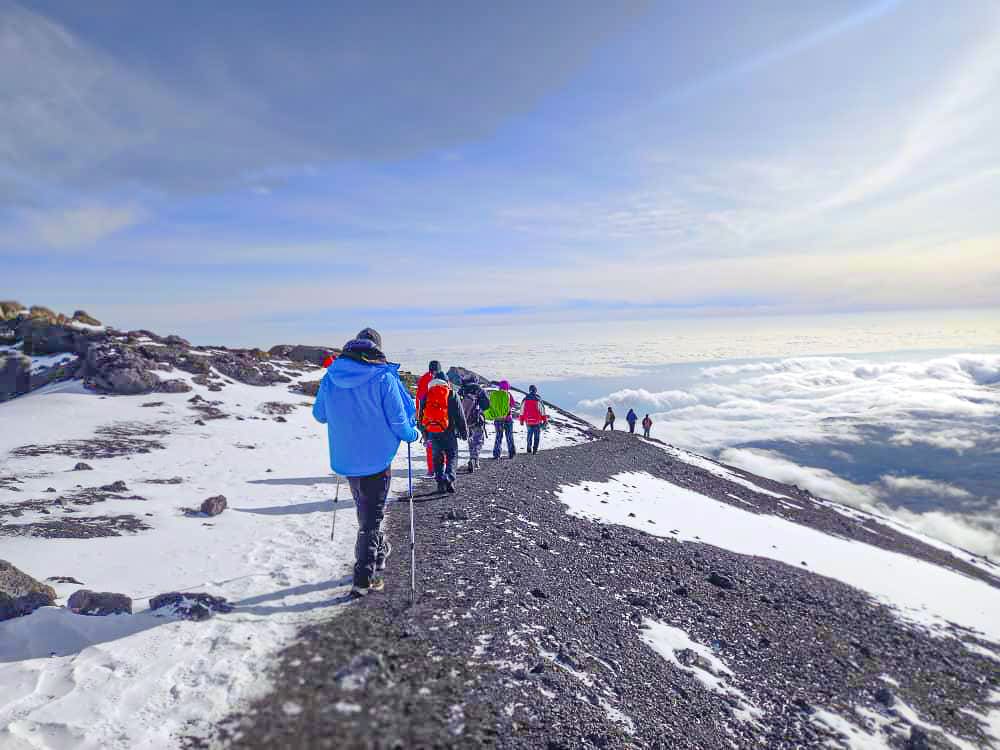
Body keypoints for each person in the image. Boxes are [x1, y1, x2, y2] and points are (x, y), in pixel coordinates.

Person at [312, 328, 419, 598]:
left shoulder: (332, 375)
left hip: (346, 459)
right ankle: (364, 578)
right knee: (371, 520)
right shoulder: (383, 377)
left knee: (367, 513)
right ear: (377, 348)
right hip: (377, 459)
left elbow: (320, 415)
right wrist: (412, 434)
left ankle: (379, 552)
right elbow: (398, 420)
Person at [420, 371, 468, 493]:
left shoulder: (427, 394)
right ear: (447, 382)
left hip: (433, 431)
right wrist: (464, 431)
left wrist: (425, 434)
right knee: (452, 455)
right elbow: (460, 415)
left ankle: (440, 483)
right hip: (449, 431)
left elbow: (421, 416)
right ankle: (449, 477)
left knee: (437, 458)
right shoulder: (451, 393)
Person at [415, 360, 442, 479]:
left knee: (430, 444)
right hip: (442, 418)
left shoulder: (424, 379)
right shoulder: (443, 379)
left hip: (427, 417)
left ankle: (431, 470)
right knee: (442, 443)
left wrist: (418, 416)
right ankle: (442, 467)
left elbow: (419, 398)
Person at [459, 376, 490, 472]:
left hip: (466, 421)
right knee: (479, 441)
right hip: (477, 419)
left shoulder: (462, 390)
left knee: (471, 441)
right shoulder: (479, 390)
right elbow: (486, 405)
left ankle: (473, 459)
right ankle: (474, 459)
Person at [485, 380, 518, 459]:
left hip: (497, 419)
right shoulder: (508, 395)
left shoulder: (494, 394)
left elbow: (490, 405)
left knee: (498, 436)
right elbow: (512, 405)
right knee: (509, 436)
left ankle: (496, 454)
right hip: (507, 419)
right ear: (507, 387)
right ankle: (511, 453)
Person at [519, 385, 549, 454]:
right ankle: (535, 450)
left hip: (528, 421)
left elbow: (522, 411)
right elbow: (542, 411)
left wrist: (521, 420)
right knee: (536, 436)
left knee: (529, 435)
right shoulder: (538, 399)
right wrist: (545, 420)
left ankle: (529, 448)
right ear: (535, 391)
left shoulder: (525, 399)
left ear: (529, 390)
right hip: (537, 421)